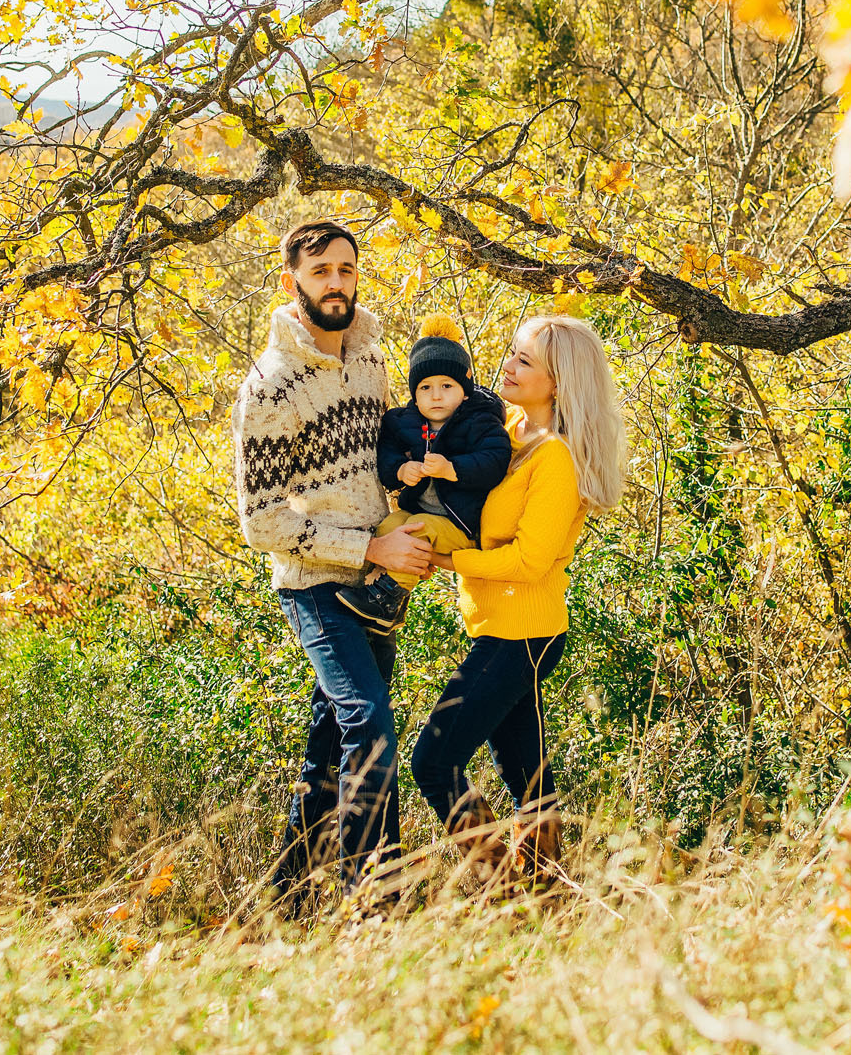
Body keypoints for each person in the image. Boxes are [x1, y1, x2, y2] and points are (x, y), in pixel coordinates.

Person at [233, 219, 432, 893]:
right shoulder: (271, 385)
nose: (337, 283)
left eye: (346, 269)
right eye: (321, 272)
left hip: (377, 585)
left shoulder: (373, 358)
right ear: (292, 282)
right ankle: (374, 899)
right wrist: (366, 544)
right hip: (314, 585)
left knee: (330, 744)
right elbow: (260, 523)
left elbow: (388, 460)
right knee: (368, 721)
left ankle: (284, 899)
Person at [409, 313, 626, 881]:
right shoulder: (505, 429)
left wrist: (448, 560)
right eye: (511, 353)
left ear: (557, 381)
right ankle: (549, 893)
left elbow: (530, 561)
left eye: (524, 360)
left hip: (524, 634)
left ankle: (503, 883)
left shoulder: (555, 458)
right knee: (526, 774)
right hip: (496, 625)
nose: (507, 365)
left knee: (433, 761)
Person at [338, 314, 513, 631]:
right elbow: (385, 451)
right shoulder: (404, 422)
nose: (436, 395)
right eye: (425, 387)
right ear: (414, 393)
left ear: (464, 390)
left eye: (447, 386)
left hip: (459, 523)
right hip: (419, 509)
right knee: (390, 525)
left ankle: (388, 598)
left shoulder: (479, 421)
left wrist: (452, 468)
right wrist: (400, 470)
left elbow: (495, 459)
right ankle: (385, 591)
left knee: (418, 533)